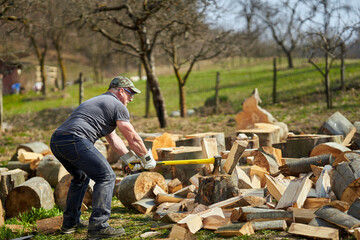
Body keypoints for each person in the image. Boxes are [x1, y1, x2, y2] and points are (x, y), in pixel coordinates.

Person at [50, 76, 156, 239]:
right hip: (75, 139)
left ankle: (70, 223)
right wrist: (148, 160)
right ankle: (99, 226)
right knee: (106, 176)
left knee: (80, 177)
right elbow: (133, 138)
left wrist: (130, 160)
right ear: (121, 91)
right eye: (130, 94)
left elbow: (113, 139)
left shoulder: (100, 102)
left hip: (57, 140)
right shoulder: (117, 105)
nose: (131, 99)